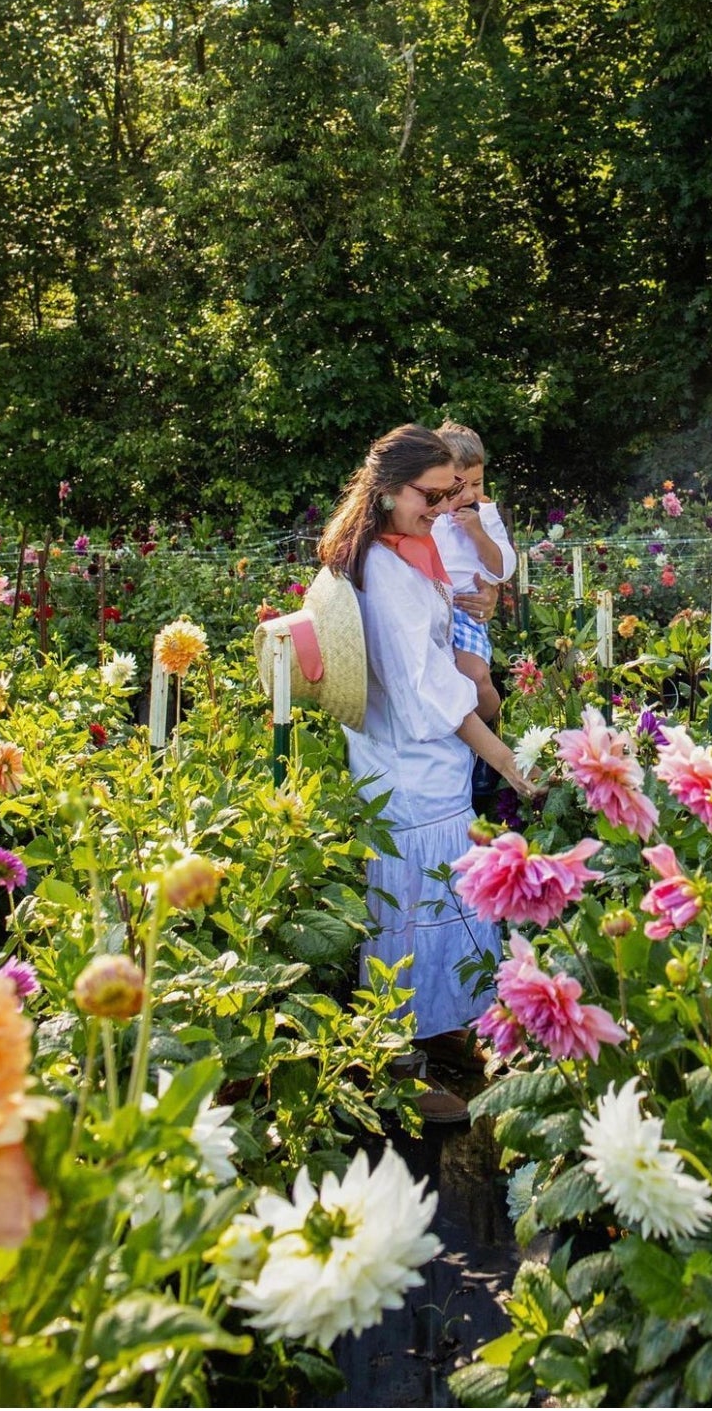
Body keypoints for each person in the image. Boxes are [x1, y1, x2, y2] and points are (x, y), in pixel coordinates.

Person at [319, 424, 540, 1122]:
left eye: (453, 495)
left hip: (411, 761)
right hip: (412, 765)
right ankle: (396, 1070)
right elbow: (435, 695)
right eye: (433, 495)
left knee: (437, 903)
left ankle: (439, 1030)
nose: (446, 509)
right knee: (415, 908)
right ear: (387, 489)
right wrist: (506, 759)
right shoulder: (386, 571)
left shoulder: (392, 547)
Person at [432, 420, 516, 726]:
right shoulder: (429, 515)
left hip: (466, 610)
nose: (469, 494)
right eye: (458, 485)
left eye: (477, 483)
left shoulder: (487, 515)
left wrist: (478, 534)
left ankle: (494, 729)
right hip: (431, 610)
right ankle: (470, 743)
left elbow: (504, 568)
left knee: (476, 676)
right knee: (446, 684)